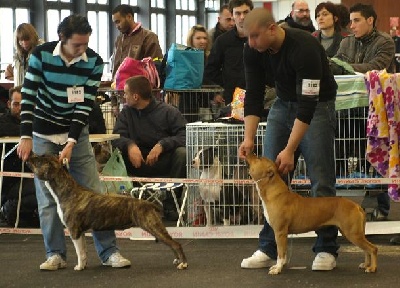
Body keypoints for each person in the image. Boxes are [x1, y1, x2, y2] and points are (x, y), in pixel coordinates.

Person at [16, 15, 130, 271]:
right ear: (62, 39)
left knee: (94, 193)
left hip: (75, 135)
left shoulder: (94, 62)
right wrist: (25, 136)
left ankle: (109, 251)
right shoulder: (41, 55)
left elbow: (83, 107)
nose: (83, 49)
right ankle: (55, 254)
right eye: (77, 45)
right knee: (47, 199)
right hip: (43, 134)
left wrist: (71, 141)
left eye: (85, 44)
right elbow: (28, 96)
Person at [238, 8, 339, 271]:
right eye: (247, 38)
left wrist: (290, 149)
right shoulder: (253, 50)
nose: (251, 43)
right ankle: (269, 248)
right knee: (270, 180)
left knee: (321, 178)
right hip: (283, 104)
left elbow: (308, 104)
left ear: (272, 28)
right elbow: (254, 95)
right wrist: (249, 138)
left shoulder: (304, 46)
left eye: (255, 37)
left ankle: (326, 249)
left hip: (317, 106)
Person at [334, 3, 395, 222]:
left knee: (377, 155)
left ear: (370, 20)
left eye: (357, 20)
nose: (352, 25)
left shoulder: (385, 41)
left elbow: (377, 67)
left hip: (377, 108)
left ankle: (382, 207)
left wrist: (346, 67)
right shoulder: (346, 41)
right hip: (348, 109)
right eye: (350, 21)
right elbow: (336, 64)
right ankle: (337, 208)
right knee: (340, 152)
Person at [112, 75, 187, 221]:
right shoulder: (126, 113)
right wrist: (130, 145)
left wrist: (162, 145)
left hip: (164, 162)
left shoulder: (169, 112)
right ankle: (126, 203)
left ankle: (171, 204)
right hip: (136, 162)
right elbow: (116, 137)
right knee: (116, 153)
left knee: (182, 153)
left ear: (135, 96)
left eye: (125, 93)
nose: (123, 97)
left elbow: (185, 135)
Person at [0, 86, 38, 227]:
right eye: (16, 104)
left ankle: (21, 213)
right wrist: (28, 133)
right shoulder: (3, 121)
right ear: (9, 104)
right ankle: (9, 209)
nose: (21, 108)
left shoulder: (34, 121)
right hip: (9, 183)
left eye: (24, 105)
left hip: (29, 177)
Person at [205, 0, 254, 105]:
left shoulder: (262, 38)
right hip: (232, 98)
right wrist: (226, 84)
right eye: (238, 13)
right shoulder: (222, 41)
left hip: (260, 95)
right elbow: (211, 70)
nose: (242, 17)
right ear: (232, 15)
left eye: (246, 12)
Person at [111, 4, 163, 79]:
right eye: (115, 23)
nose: (117, 26)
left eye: (118, 22)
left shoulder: (148, 37)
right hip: (118, 87)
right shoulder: (119, 39)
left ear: (129, 17)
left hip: (138, 88)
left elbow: (155, 67)